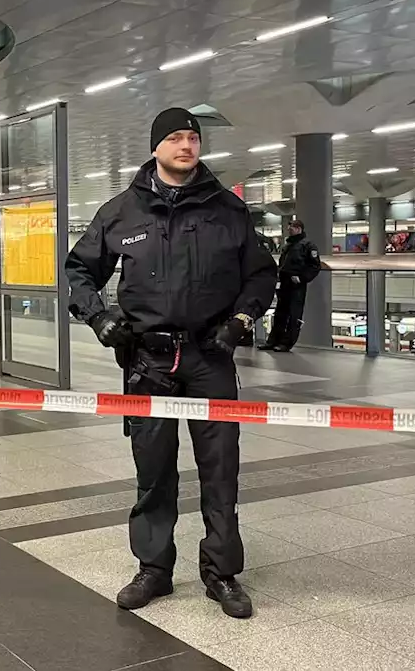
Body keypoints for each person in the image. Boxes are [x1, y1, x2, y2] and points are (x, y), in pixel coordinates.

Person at [65, 107, 277, 619]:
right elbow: (78, 269)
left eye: (193, 138)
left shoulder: (227, 210)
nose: (187, 146)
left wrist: (242, 320)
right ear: (156, 148)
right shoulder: (122, 212)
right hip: (149, 362)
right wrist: (98, 318)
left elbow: (261, 276)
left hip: (211, 356)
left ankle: (221, 573)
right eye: (176, 138)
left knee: (220, 468)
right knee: (154, 469)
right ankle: (154, 570)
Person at [259, 219, 322, 352]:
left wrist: (301, 278)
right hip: (284, 285)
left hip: (296, 286)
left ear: (299, 229)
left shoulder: (308, 245)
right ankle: (273, 341)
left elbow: (315, 266)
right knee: (280, 314)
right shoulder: (287, 246)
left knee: (294, 315)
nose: (289, 230)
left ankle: (286, 343)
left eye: (292, 227)